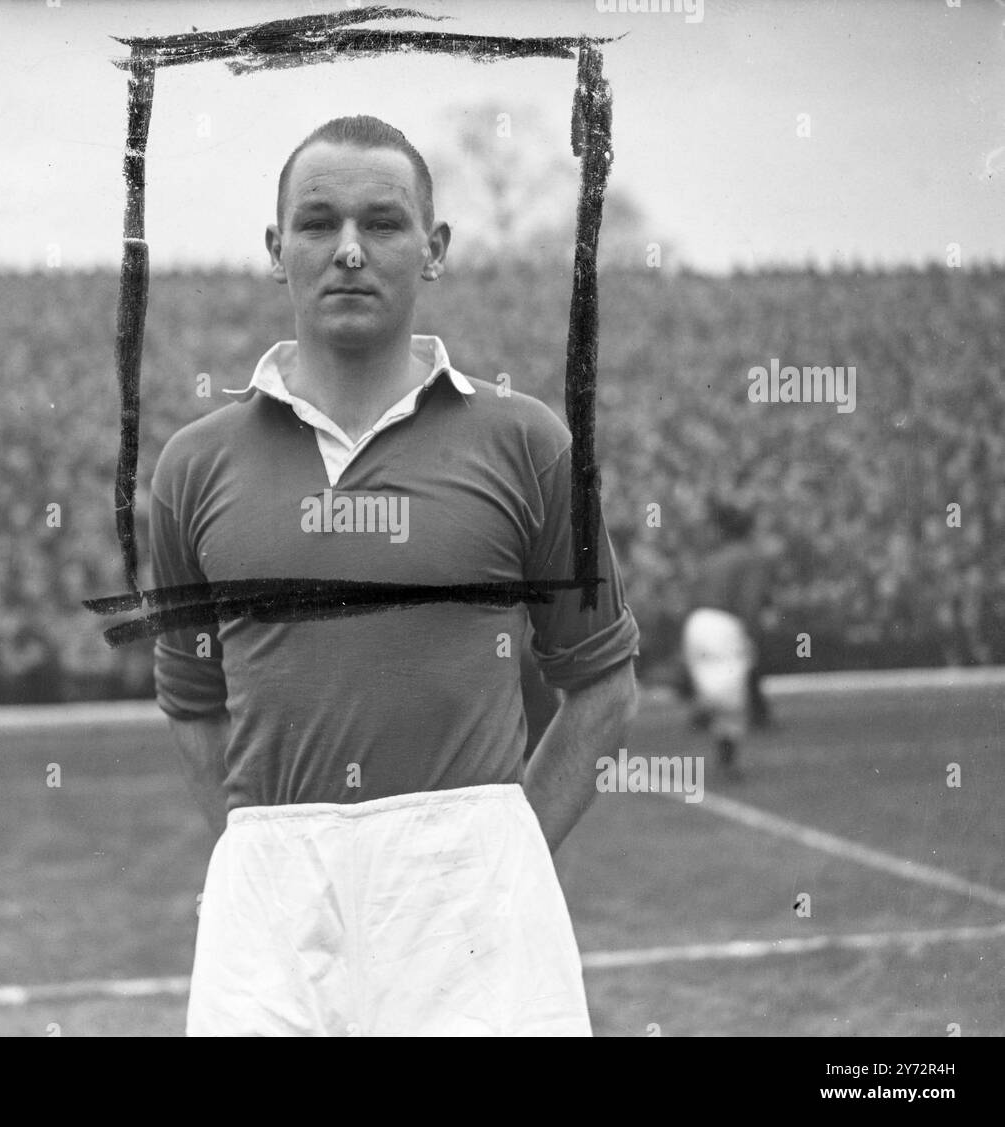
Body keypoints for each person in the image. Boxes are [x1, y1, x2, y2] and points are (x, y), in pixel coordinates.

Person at [150, 116, 640, 1036]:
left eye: (382, 222)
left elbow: (604, 685)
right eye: (317, 222)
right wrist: (274, 861)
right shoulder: (193, 465)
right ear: (275, 250)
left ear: (434, 248)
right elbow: (192, 701)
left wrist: (500, 860)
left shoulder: (529, 442)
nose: (349, 250)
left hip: (474, 908)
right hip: (268, 914)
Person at [680, 501, 774, 778]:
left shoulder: (713, 558)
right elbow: (749, 600)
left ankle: (702, 707)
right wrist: (751, 632)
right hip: (723, 624)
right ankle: (726, 758)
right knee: (731, 700)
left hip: (696, 622)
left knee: (723, 687)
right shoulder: (749, 557)